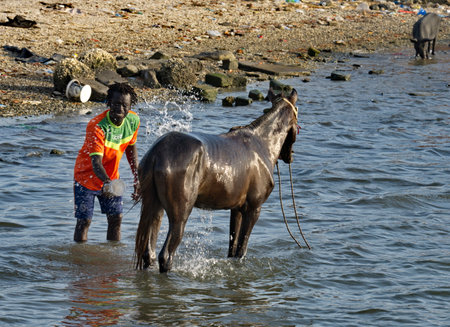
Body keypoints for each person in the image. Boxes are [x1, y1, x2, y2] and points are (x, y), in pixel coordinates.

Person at [73, 83, 140, 242]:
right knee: (84, 221)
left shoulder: (133, 121)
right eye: (116, 104)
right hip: (86, 179)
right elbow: (96, 162)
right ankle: (79, 261)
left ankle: (113, 259)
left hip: (111, 178)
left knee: (116, 219)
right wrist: (108, 183)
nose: (120, 109)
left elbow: (131, 149)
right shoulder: (97, 126)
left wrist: (137, 177)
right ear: (108, 102)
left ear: (130, 106)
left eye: (125, 105)